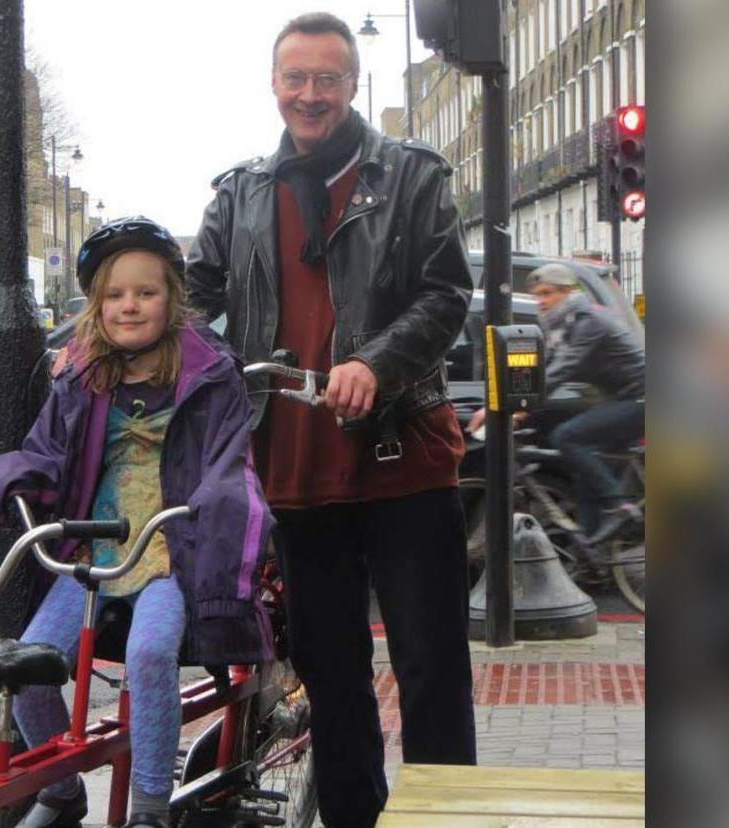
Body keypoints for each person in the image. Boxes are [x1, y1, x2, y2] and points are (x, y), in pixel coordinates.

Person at [185, 12, 476, 827]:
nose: (310, 95)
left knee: (430, 670)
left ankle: (444, 819)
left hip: (403, 461)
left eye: (327, 79)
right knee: (333, 675)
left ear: (352, 85)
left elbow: (445, 294)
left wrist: (374, 364)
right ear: (274, 84)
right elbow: (195, 304)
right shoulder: (240, 194)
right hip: (293, 471)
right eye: (295, 78)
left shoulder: (413, 177)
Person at [0, 216, 274, 828]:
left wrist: (220, 517)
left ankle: (149, 807)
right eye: (115, 295)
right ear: (97, 305)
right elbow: (47, 454)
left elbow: (229, 466)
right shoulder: (80, 374)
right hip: (92, 554)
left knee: (152, 654)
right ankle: (62, 786)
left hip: (167, 549)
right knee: (29, 665)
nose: (130, 306)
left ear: (172, 300)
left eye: (146, 293)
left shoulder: (209, 374)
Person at [467, 263, 646, 547]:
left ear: (568, 291)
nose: (542, 301)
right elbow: (542, 372)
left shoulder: (589, 323)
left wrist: (502, 407)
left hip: (641, 400)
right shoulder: (565, 325)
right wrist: (517, 405)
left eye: (547, 293)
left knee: (568, 436)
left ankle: (618, 505)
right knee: (583, 468)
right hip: (622, 398)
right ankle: (592, 552)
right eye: (537, 295)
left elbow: (561, 370)